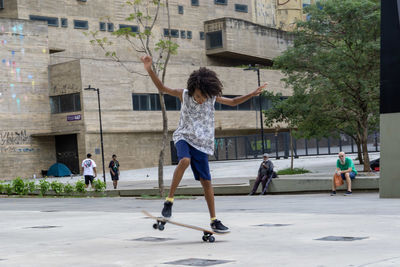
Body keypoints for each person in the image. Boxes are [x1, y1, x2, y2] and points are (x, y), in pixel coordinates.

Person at [141, 55, 267, 233]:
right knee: (184, 160)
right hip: (184, 136)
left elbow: (232, 102)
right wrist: (149, 69)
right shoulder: (183, 94)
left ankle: (214, 220)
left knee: (207, 182)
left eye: (204, 97)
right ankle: (168, 201)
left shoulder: (211, 98)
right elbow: (162, 88)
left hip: (201, 144)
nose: (201, 100)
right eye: (199, 96)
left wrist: (252, 94)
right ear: (193, 90)